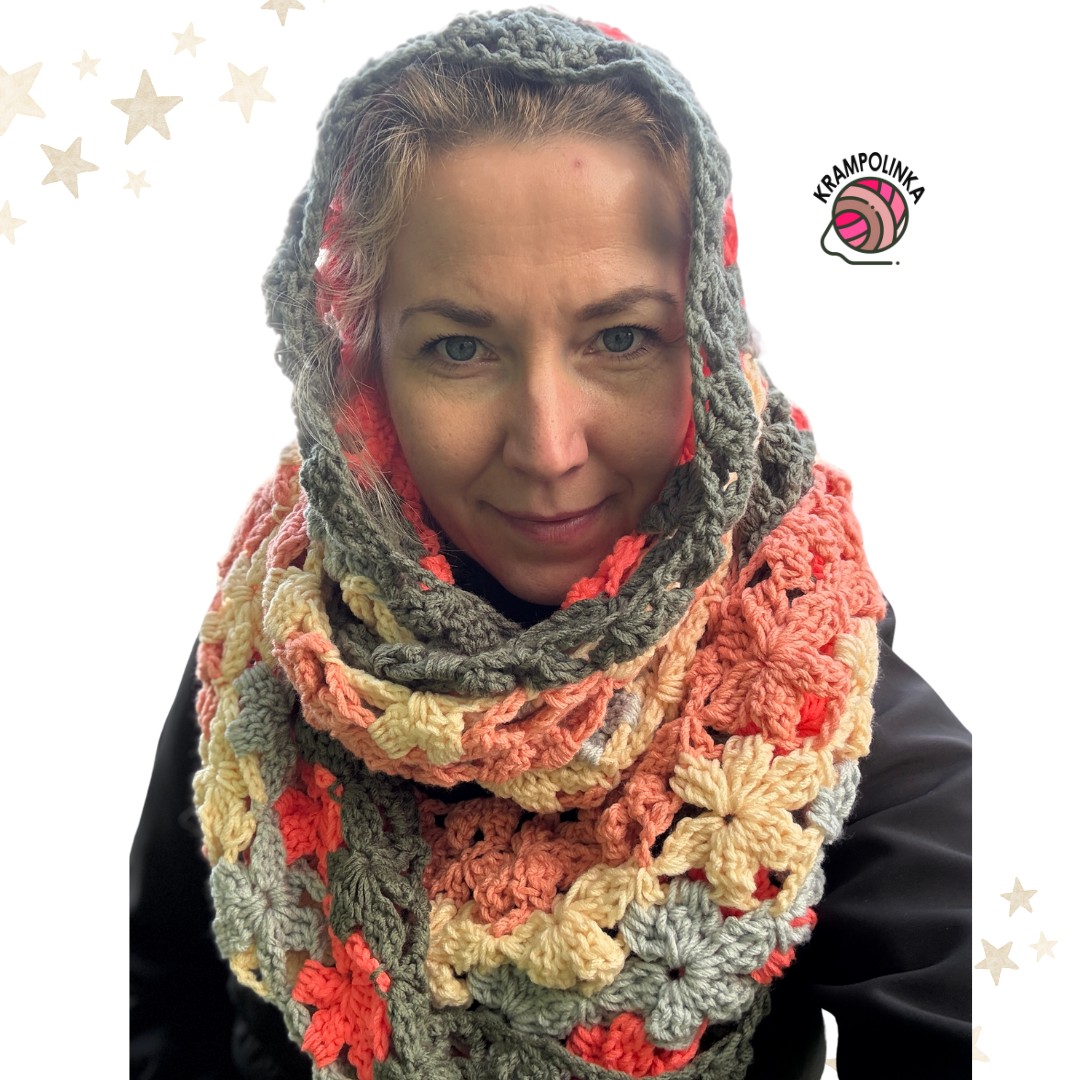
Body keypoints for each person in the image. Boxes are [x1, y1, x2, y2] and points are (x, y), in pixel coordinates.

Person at [130, 9, 971, 1079]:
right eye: (459, 347)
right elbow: (157, 994)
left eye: (621, 337)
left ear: (707, 345)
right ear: (367, 370)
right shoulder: (278, 637)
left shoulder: (820, 719)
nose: (549, 445)